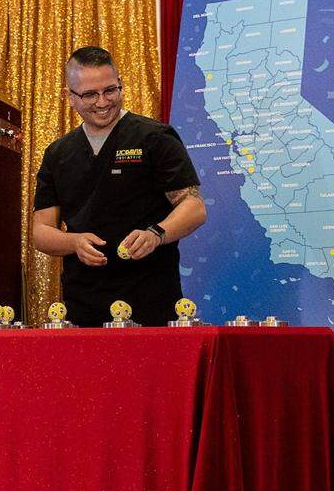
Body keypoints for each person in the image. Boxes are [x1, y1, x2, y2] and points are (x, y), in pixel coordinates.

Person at [32, 46, 206, 326]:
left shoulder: (155, 137)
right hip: (84, 304)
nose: (102, 102)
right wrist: (74, 242)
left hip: (151, 299)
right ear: (69, 97)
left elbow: (194, 207)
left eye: (110, 90)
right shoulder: (58, 153)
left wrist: (156, 234)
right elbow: (41, 232)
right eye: (89, 94)